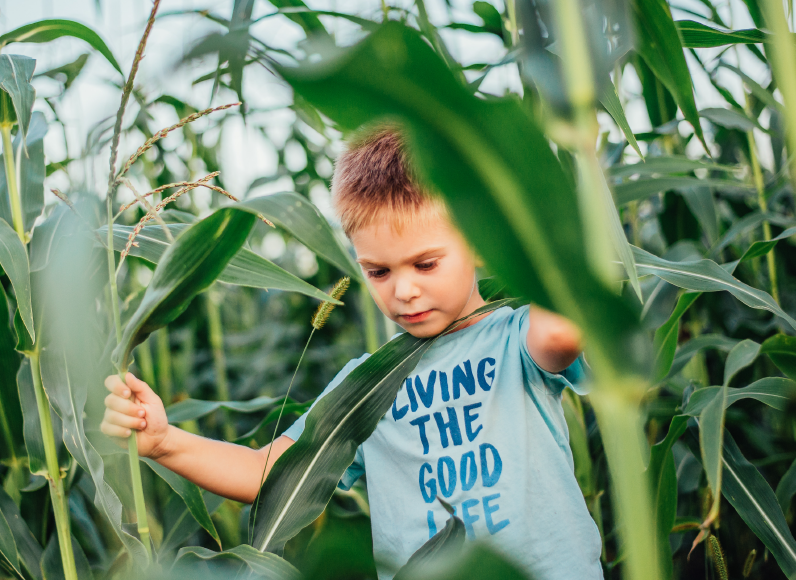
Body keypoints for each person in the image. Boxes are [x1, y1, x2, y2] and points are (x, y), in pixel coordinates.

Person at [101, 126, 603, 579]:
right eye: (379, 271)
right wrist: (166, 442)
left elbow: (561, 334)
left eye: (425, 264)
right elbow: (270, 473)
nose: (402, 290)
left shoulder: (515, 338)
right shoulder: (365, 385)